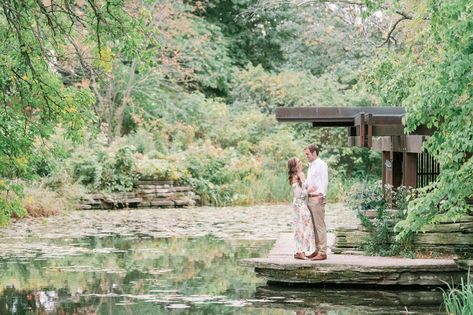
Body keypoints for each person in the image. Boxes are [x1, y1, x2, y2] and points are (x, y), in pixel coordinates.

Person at [287, 157, 315, 260]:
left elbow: (304, 187)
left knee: (305, 226)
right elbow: (298, 194)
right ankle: (300, 251)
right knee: (301, 227)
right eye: (298, 162)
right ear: (294, 166)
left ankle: (300, 251)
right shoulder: (295, 177)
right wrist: (308, 190)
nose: (301, 162)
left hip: (303, 204)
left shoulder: (301, 174)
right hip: (299, 204)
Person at [304, 144, 329, 261]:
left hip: (317, 198)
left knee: (319, 226)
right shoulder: (311, 166)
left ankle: (323, 252)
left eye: (308, 154)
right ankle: (317, 250)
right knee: (313, 226)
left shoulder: (321, 164)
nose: (306, 156)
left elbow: (325, 181)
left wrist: (322, 195)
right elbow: (309, 183)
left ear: (314, 153)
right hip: (310, 198)